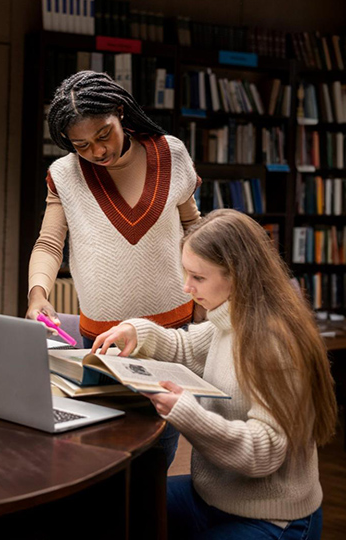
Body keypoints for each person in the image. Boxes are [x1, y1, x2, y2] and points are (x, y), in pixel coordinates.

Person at [91, 209, 337, 539]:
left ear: (236, 275)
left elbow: (265, 452)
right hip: (210, 499)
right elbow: (188, 347)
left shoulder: (273, 343)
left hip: (271, 517)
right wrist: (138, 332)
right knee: (116, 512)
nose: (186, 287)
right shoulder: (235, 317)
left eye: (199, 277)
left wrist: (187, 413)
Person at [26, 70, 203, 347]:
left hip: (175, 328)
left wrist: (204, 296)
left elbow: (194, 228)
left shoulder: (171, 155)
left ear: (120, 112)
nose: (97, 151)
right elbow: (49, 244)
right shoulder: (65, 175)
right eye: (81, 145)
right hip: (101, 337)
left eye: (104, 135)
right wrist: (37, 295)